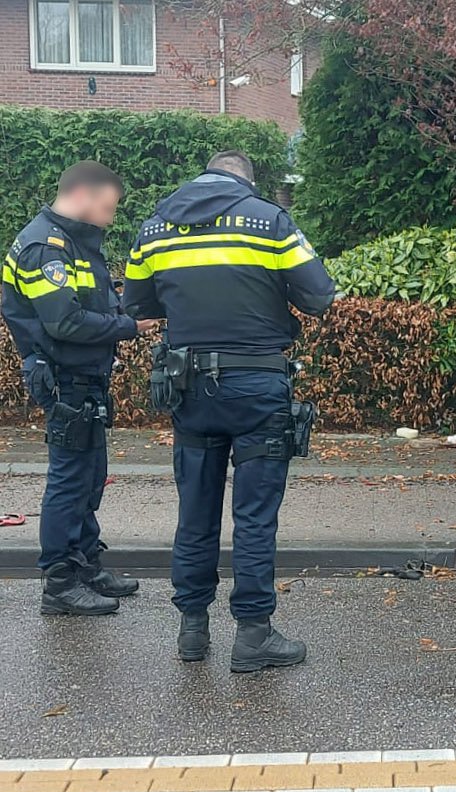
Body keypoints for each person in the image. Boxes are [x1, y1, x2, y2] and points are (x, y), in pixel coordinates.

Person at [123, 151, 336, 673]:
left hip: (190, 388)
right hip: (258, 385)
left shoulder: (154, 229)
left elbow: (138, 307)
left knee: (194, 512)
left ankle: (192, 631)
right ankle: (253, 635)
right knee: (255, 517)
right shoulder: (269, 220)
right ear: (245, 179)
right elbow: (319, 296)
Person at [1, 161, 160, 616]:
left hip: (83, 379)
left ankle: (86, 564)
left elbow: (88, 299)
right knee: (69, 483)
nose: (111, 217)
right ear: (84, 195)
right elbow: (64, 321)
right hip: (65, 380)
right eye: (108, 207)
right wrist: (130, 325)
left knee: (89, 478)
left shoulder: (70, 241)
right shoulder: (44, 248)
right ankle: (60, 583)